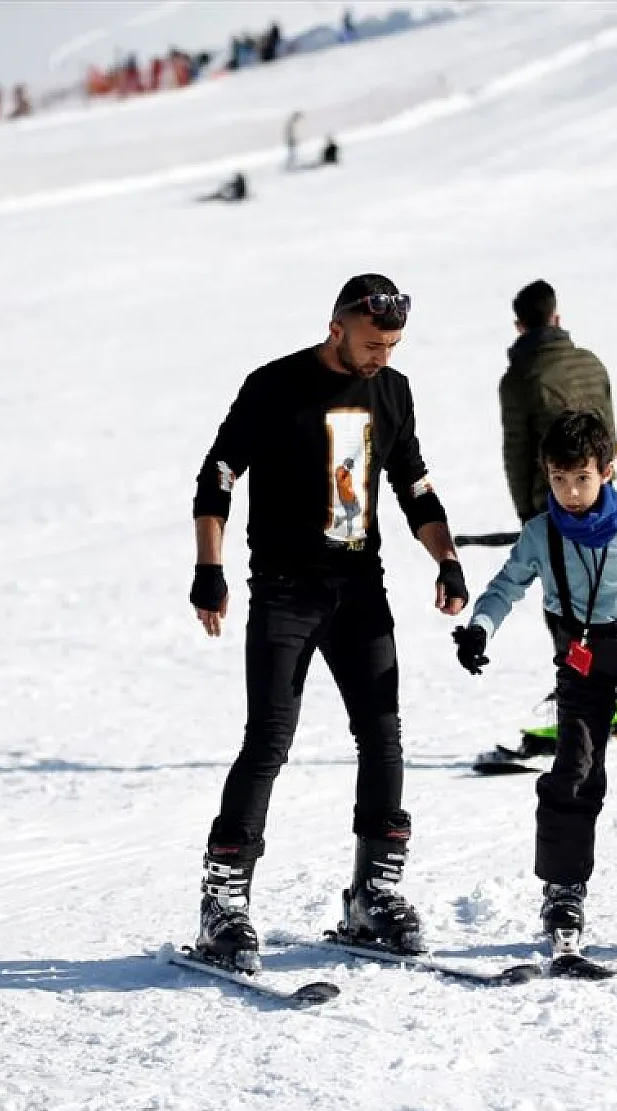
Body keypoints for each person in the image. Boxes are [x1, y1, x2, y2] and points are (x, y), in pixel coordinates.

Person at [188, 274, 470, 971]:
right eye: (373, 344)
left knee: (383, 733)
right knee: (269, 740)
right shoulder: (274, 385)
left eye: (394, 345)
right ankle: (223, 905)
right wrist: (209, 568)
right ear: (336, 327)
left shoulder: (392, 391)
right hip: (286, 592)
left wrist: (447, 559)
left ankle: (374, 895)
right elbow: (218, 471)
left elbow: (414, 483)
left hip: (359, 589)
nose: (383, 357)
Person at [453, 410, 617, 949]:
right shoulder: (541, 534)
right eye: (559, 479)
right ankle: (563, 891)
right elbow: (505, 587)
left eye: (582, 478)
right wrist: (480, 628)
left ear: (606, 472)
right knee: (573, 768)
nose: (570, 493)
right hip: (582, 661)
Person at [475, 280, 617, 773]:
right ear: (556, 317)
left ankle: (582, 713)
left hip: (555, 505)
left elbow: (518, 452)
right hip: (601, 498)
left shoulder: (519, 377)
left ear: (520, 325)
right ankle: (613, 700)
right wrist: (603, 477)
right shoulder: (590, 362)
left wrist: (528, 517)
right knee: (607, 596)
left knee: (565, 609)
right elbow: (608, 432)